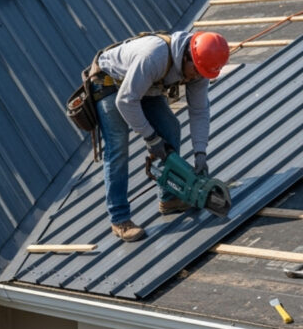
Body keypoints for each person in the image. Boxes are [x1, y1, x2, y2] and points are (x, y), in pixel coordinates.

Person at [90, 31, 230, 242]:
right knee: (118, 146)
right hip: (110, 83)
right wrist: (151, 137)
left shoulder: (201, 69)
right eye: (195, 71)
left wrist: (200, 152)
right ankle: (119, 219)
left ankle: (169, 198)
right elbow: (125, 102)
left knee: (170, 128)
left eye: (202, 73)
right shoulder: (153, 57)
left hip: (146, 86)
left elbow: (199, 111)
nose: (195, 77)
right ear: (186, 56)